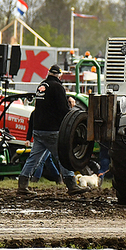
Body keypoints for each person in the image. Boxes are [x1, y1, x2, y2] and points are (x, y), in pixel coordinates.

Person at [17, 64, 89, 195]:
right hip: (51, 130)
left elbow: (44, 106)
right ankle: (71, 185)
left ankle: (22, 185)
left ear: (49, 73)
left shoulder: (41, 86)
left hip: (38, 129)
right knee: (63, 157)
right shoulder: (58, 87)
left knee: (33, 158)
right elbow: (63, 111)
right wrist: (71, 109)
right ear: (59, 75)